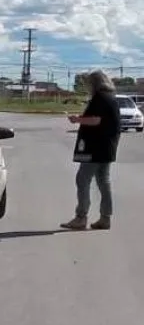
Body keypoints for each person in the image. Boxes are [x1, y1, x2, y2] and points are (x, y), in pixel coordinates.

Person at [61, 69, 121, 230]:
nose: (87, 86)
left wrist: (77, 120)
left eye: (88, 83)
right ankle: (105, 217)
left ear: (94, 83)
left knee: (83, 179)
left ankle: (81, 217)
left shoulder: (99, 99)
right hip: (107, 147)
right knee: (103, 181)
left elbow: (95, 120)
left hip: (95, 147)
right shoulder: (111, 99)